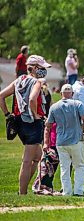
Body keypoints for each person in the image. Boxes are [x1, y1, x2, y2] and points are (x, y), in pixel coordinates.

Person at [0, 55, 51, 194]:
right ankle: (22, 193)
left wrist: (7, 114)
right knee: (28, 160)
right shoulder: (36, 82)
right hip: (33, 123)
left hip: (19, 122)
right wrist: (35, 114)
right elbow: (32, 98)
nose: (44, 71)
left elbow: (1, 96)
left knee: (38, 158)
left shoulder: (19, 80)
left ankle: (28, 188)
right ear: (34, 68)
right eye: (41, 68)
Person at [44, 84, 84, 196]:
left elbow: (48, 125)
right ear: (72, 94)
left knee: (64, 168)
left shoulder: (54, 107)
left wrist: (46, 142)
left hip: (61, 142)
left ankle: (67, 192)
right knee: (79, 166)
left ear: (61, 94)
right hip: (76, 140)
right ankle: (78, 191)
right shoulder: (78, 104)